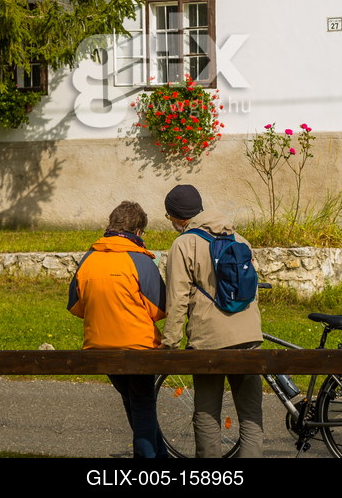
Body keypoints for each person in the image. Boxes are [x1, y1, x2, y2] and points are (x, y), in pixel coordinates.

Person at [159, 184, 263, 458]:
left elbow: (177, 300)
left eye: (169, 217)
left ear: (176, 216)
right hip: (249, 338)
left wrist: (169, 345)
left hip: (209, 342)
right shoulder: (239, 239)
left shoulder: (184, 244)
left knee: (206, 414)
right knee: (251, 415)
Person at [67, 200, 168, 459]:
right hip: (138, 347)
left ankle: (161, 455)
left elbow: (76, 306)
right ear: (138, 232)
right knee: (142, 403)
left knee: (132, 399)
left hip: (99, 347)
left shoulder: (88, 259)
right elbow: (160, 308)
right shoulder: (140, 261)